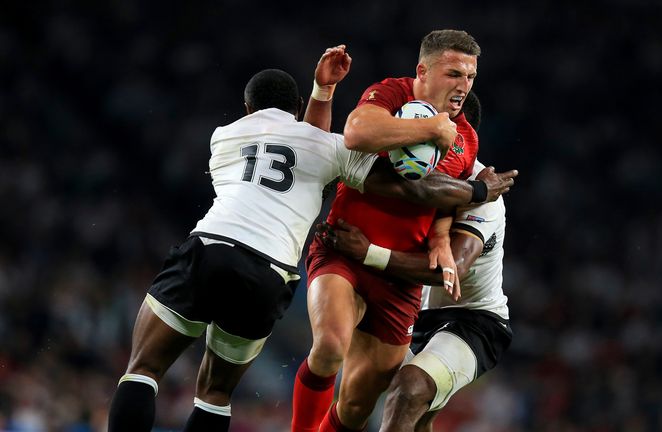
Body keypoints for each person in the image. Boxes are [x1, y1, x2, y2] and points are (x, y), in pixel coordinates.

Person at [107, 44, 512, 431]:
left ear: (248, 108)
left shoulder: (222, 137)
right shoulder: (337, 144)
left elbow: (306, 148)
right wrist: (472, 187)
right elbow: (385, 176)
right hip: (274, 272)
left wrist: (326, 91)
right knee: (217, 392)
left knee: (143, 369)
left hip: (214, 247)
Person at [291, 29, 485, 432]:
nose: (462, 85)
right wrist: (431, 128)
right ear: (423, 71)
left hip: (398, 282)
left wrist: (439, 238)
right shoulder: (392, 94)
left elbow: (448, 200)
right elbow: (357, 134)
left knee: (355, 407)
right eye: (453, 73)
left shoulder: (466, 137)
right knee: (328, 347)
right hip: (343, 248)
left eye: (469, 77)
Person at [321, 92, 515, 432]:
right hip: (410, 309)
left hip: (472, 321)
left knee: (409, 389)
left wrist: (368, 253)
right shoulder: (403, 174)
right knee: (363, 402)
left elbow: (450, 271)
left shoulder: (485, 195)